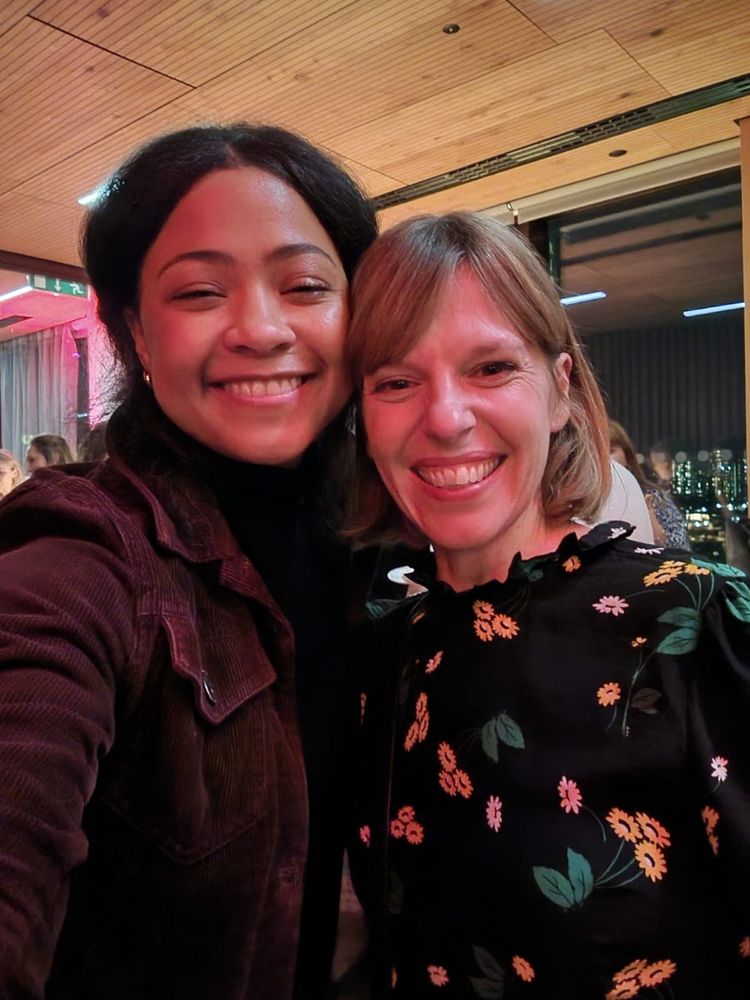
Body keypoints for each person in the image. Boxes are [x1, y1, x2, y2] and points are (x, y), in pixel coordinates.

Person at [0, 122, 377, 999]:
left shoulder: (384, 546)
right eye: (201, 292)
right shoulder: (86, 549)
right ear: (132, 330)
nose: (259, 328)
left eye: (308, 285)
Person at [345, 213, 750, 998]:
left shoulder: (697, 623)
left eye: (492, 368)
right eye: (396, 381)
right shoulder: (388, 648)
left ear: (560, 388)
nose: (446, 418)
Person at [609, 419, 690, 549]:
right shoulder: (583, 503)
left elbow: (682, 549)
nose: (605, 459)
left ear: (627, 455)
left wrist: (653, 528)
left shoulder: (653, 495)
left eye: (610, 450)